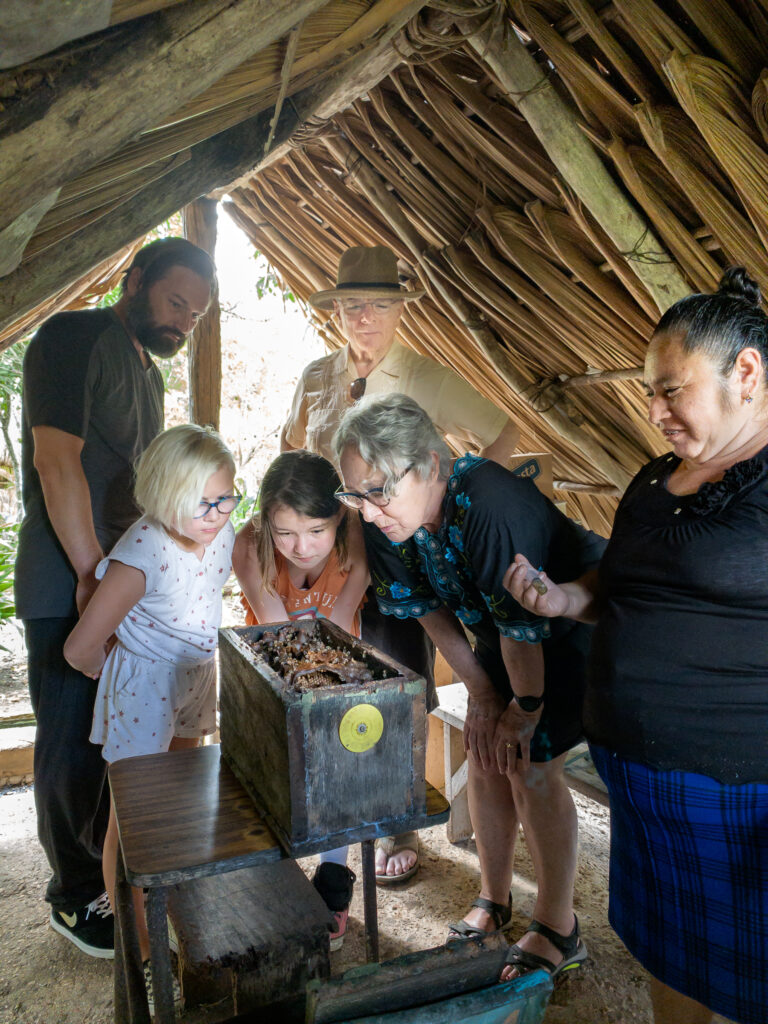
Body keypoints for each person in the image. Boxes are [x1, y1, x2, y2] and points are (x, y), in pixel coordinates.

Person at [504, 267, 768, 1022]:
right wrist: (562, 598)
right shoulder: (656, 480)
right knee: (669, 950)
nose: (652, 410)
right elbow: (618, 584)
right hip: (641, 782)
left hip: (741, 793)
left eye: (670, 389)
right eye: (651, 391)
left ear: (744, 372)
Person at [333, 393, 605, 980]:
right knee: (484, 752)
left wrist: (523, 708)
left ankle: (559, 926)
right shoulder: (385, 518)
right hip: (500, 635)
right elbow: (428, 610)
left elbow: (524, 628)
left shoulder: (489, 505)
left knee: (530, 763)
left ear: (431, 465)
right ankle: (494, 898)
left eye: (378, 489)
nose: (367, 508)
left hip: (569, 630)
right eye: (353, 492)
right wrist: (485, 697)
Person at [274, 243, 520, 883]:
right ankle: (329, 814)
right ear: (335, 310)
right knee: (325, 678)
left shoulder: (425, 377)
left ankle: (396, 825)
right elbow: (289, 451)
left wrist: (466, 499)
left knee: (399, 683)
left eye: (379, 305)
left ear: (399, 311)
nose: (365, 318)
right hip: (325, 559)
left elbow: (505, 433)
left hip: (398, 557)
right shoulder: (316, 377)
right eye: (353, 305)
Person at [16, 236, 216, 958]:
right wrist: (92, 573)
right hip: (66, 577)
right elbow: (55, 461)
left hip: (115, 581)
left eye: (193, 316)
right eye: (173, 303)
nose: (181, 322)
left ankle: (111, 870)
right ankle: (74, 898)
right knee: (70, 744)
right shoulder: (74, 336)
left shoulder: (148, 376)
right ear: (132, 280)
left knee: (115, 740)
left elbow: (144, 489)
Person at [64, 424, 237, 1010]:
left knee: (183, 794)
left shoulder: (222, 533)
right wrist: (116, 670)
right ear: (164, 496)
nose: (216, 514)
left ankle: (175, 897)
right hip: (144, 686)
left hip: (195, 673)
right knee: (133, 816)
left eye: (227, 497)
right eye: (202, 503)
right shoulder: (141, 554)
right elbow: (79, 648)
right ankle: (134, 932)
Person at [234, 449, 369, 950]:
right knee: (273, 781)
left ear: (337, 518)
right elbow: (277, 633)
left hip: (340, 673)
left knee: (339, 787)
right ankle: (276, 883)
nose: (302, 547)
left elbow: (341, 624)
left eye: (316, 531)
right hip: (274, 672)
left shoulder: (356, 532)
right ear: (266, 519)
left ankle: (334, 886)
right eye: (285, 532)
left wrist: (327, 694)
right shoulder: (249, 545)